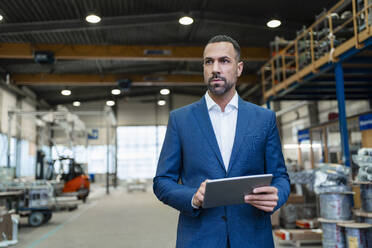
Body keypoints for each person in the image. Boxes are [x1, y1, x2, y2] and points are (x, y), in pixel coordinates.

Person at [153, 35, 290, 248]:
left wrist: (277, 195)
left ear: (239, 68)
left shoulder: (264, 119)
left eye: (224, 61)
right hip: (199, 239)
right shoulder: (180, 120)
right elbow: (162, 181)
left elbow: (280, 176)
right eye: (209, 62)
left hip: (252, 237)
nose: (215, 68)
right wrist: (193, 197)